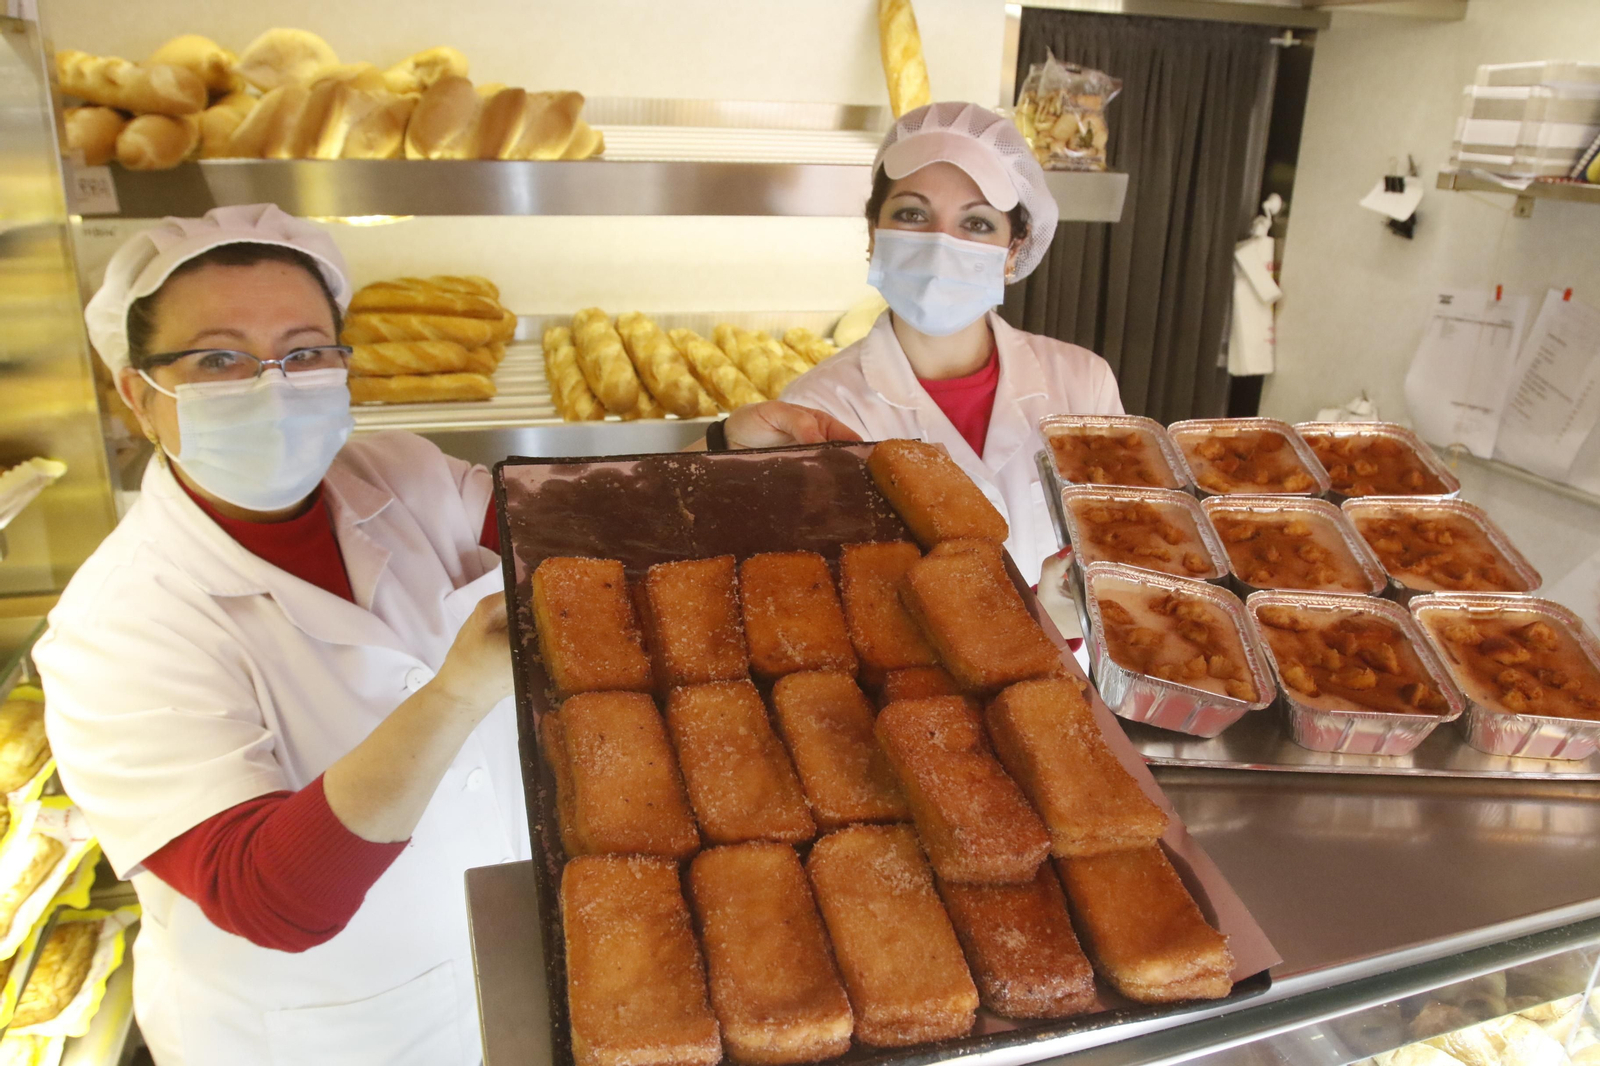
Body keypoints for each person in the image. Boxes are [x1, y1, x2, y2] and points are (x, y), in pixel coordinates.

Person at [31, 204, 855, 1066]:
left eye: (306, 352)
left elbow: (579, 535)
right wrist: (456, 693)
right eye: (220, 359)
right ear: (138, 395)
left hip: (499, 975)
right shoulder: (116, 627)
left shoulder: (397, 474)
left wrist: (726, 448)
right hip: (318, 1035)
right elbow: (266, 895)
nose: (273, 383)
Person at [781, 101, 1125, 587]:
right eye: (912, 214)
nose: (941, 244)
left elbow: (1124, 548)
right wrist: (1039, 618)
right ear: (873, 236)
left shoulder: (1083, 383)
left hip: (1080, 667)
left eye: (976, 223)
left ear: (1013, 251)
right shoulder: (817, 410)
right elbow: (841, 603)